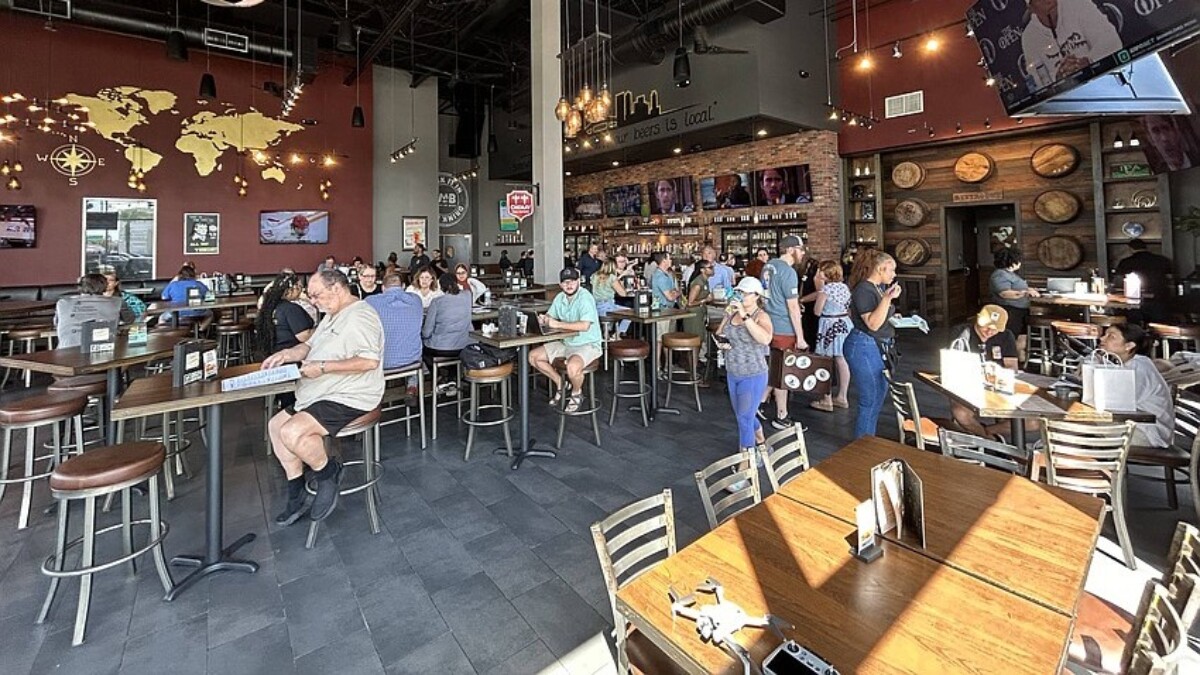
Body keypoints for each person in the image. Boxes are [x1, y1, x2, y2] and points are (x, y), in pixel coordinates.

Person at [263, 269, 385, 526]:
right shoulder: (332, 314)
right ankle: (296, 492)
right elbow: (309, 345)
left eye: (317, 296)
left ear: (337, 289)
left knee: (292, 433)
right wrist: (288, 354)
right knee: (275, 427)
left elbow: (369, 361)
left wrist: (322, 367)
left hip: (351, 394)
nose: (313, 301)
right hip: (321, 390)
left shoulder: (361, 316)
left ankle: (327, 472)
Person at [844, 248, 901, 438]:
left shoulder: (878, 288)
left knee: (879, 394)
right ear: (881, 269)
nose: (894, 275)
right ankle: (863, 446)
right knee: (870, 398)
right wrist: (887, 299)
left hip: (875, 345)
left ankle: (868, 439)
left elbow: (880, 315)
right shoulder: (864, 290)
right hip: (864, 345)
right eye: (891, 270)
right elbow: (873, 323)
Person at [715, 276, 773, 461]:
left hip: (753, 373)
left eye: (744, 293)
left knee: (744, 419)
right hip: (733, 371)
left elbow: (765, 339)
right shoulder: (731, 313)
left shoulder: (761, 316)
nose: (740, 296)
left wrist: (745, 315)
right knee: (743, 415)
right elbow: (720, 333)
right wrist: (723, 340)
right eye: (738, 292)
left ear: (756, 296)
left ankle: (746, 467)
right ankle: (762, 445)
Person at [529, 267, 603, 413]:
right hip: (565, 342)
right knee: (533, 357)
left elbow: (584, 325)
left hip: (587, 343)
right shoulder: (560, 298)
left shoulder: (585, 297)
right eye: (565, 282)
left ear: (578, 282)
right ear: (560, 284)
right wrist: (544, 319)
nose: (569, 285)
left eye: (572, 281)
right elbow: (551, 316)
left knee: (572, 367)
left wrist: (557, 324)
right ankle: (560, 383)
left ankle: (576, 393)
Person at [757, 236, 808, 430]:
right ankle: (781, 416)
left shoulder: (768, 266)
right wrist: (801, 337)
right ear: (790, 250)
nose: (803, 253)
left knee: (775, 367)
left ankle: (759, 403)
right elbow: (793, 308)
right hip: (784, 327)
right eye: (801, 249)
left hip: (768, 323)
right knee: (783, 373)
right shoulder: (788, 272)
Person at [947, 305, 1020, 438]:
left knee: (1034, 422)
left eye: (995, 329)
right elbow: (953, 364)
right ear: (978, 320)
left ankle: (989, 431)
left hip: (998, 388)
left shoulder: (1006, 336)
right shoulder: (962, 334)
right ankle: (991, 441)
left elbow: (1012, 366)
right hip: (968, 386)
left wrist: (998, 372)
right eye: (986, 327)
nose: (989, 331)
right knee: (961, 413)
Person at [1098, 323, 1174, 448]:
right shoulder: (1128, 364)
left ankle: (1105, 466)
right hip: (1138, 425)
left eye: (1111, 337)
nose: (1102, 339)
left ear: (1129, 346)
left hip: (1150, 434)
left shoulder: (1139, 368)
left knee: (1088, 429)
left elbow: (1118, 402)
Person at [1021, 0, 1122, 89]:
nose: (1048, 1)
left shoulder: (1078, 4)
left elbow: (1112, 41)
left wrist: (1087, 61)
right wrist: (1058, 79)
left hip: (1104, 79)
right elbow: (1038, 83)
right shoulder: (1029, 37)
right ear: (1031, 8)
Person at [253, 271, 315, 410]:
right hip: (291, 359)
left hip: (272, 356)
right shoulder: (291, 309)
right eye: (299, 287)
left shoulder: (269, 307)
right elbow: (304, 336)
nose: (301, 290)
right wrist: (320, 329)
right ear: (290, 290)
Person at [366, 271, 424, 403]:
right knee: (414, 344)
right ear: (403, 286)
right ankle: (411, 386)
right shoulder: (416, 300)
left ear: (382, 287)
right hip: (412, 361)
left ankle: (374, 393)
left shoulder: (370, 302)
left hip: (382, 362)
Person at [811, 260, 852, 412]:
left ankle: (826, 399)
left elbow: (817, 311)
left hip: (829, 325)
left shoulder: (826, 290)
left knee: (825, 362)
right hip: (844, 323)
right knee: (842, 360)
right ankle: (842, 396)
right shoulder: (844, 287)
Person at [421, 273, 473, 393]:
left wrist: (424, 335)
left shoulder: (436, 302)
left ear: (441, 286)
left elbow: (427, 332)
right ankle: (451, 377)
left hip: (440, 347)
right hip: (464, 346)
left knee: (423, 349)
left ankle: (439, 377)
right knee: (455, 351)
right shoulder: (467, 296)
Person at [990, 247, 1040, 363]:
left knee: (1022, 336)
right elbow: (1005, 293)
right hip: (1010, 310)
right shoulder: (1000, 275)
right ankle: (1009, 361)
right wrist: (1026, 293)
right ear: (1012, 261)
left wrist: (1029, 289)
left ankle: (1021, 361)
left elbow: (1019, 288)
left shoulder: (1011, 275)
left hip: (1021, 310)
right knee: (1011, 337)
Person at [55, 274, 124, 348]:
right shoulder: (117, 302)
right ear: (105, 286)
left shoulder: (63, 303)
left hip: (66, 349)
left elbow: (56, 323)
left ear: (80, 286)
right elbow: (130, 319)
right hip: (102, 349)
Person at [1115, 239, 1172, 323]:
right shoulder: (1162, 260)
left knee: (1135, 323)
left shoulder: (1126, 262)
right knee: (1159, 325)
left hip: (1135, 299)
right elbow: (1169, 277)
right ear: (1146, 247)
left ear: (1130, 248)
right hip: (1159, 297)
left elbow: (1118, 280)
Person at [591, 259, 631, 336]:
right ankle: (617, 334)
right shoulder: (612, 277)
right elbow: (623, 294)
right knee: (629, 313)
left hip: (596, 308)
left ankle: (607, 334)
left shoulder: (594, 276)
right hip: (608, 306)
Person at [682, 259, 713, 343]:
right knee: (695, 338)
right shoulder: (698, 283)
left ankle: (697, 356)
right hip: (694, 314)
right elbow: (690, 303)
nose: (713, 269)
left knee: (700, 337)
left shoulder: (705, 281)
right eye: (710, 267)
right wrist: (704, 300)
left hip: (700, 312)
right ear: (702, 270)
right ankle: (694, 356)